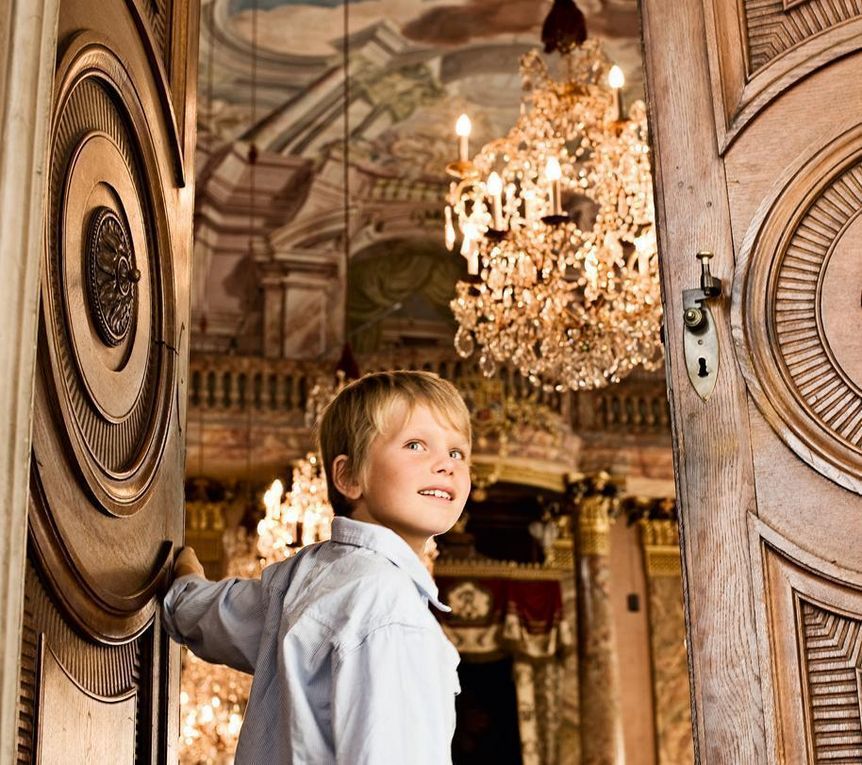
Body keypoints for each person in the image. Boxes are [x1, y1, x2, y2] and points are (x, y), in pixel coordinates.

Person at [163, 370, 472, 763]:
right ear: (348, 477)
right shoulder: (391, 609)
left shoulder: (299, 581)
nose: (446, 465)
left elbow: (206, 615)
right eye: (415, 445)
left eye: (457, 452)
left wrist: (184, 576)